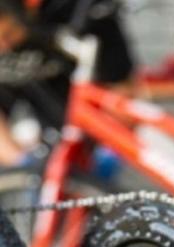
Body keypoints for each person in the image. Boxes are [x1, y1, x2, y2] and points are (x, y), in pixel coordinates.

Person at [0, 0, 134, 164]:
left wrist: (111, 148)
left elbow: (121, 90)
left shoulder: (83, 14)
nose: (3, 46)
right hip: (39, 139)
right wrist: (21, 162)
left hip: (89, 132)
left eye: (8, 35)